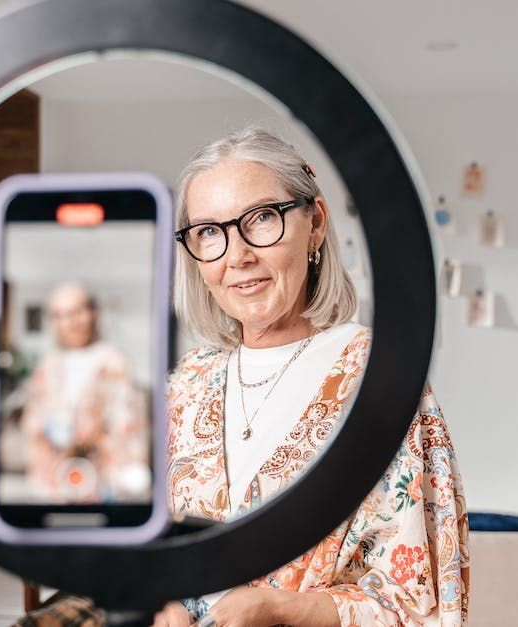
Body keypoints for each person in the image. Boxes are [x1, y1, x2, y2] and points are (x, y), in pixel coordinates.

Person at [154, 128, 469, 626]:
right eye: (209, 232)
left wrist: (286, 609)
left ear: (316, 223)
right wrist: (158, 601)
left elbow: (421, 602)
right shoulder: (183, 385)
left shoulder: (381, 381)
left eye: (261, 219)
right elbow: (146, 550)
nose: (237, 257)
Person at [19, 283, 149, 502]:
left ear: (92, 313)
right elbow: (33, 424)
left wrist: (92, 437)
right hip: (57, 482)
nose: (69, 322)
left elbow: (130, 423)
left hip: (102, 482)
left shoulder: (113, 361)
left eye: (75, 312)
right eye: (60, 315)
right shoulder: (48, 366)